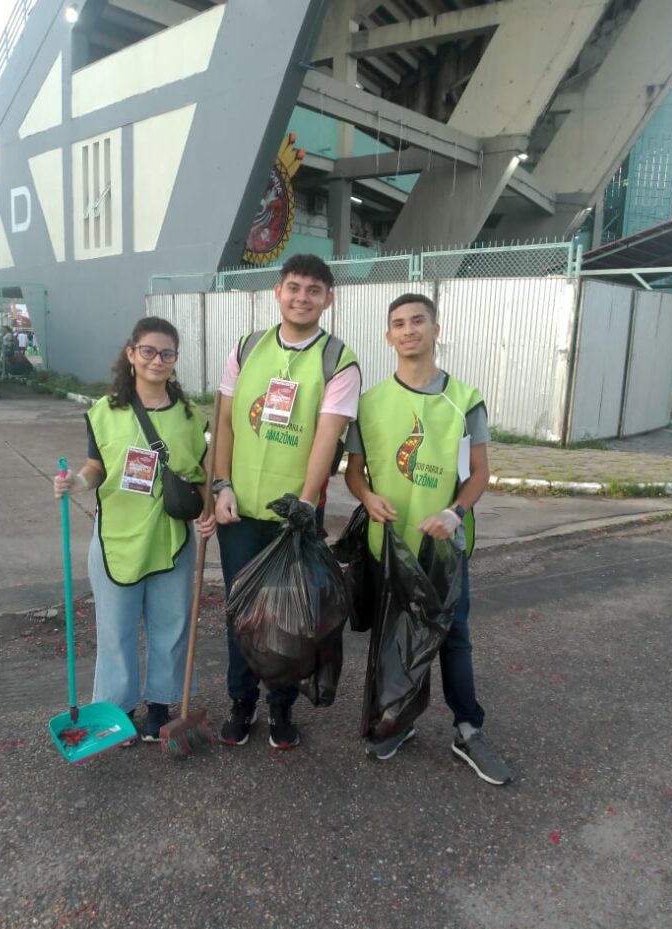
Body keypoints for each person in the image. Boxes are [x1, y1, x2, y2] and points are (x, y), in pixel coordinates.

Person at [344, 293, 512, 784]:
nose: (408, 330)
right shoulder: (370, 403)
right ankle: (397, 720)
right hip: (389, 547)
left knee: (454, 639)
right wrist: (367, 498)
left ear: (436, 329)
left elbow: (480, 473)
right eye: (398, 323)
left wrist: (455, 512)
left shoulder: (464, 399)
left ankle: (468, 730)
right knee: (392, 638)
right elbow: (354, 472)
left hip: (443, 549)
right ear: (388, 336)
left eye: (418, 321)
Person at [213, 253, 361, 749]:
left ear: (328, 299)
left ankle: (280, 709)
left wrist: (303, 503)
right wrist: (220, 485)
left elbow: (326, 437)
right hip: (238, 511)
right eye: (294, 287)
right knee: (242, 611)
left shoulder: (337, 361)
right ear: (278, 291)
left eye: (314, 290)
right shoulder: (246, 348)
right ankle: (241, 702)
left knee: (289, 618)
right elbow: (228, 422)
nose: (302, 297)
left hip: (294, 516)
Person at [53, 316, 216, 743]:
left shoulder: (189, 416)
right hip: (116, 539)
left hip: (171, 538)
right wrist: (76, 485)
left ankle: (160, 708)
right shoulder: (103, 413)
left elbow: (202, 472)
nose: (157, 360)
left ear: (176, 360)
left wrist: (210, 507)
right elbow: (95, 468)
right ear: (131, 354)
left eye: (167, 353)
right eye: (148, 351)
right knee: (115, 629)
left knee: (172, 625)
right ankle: (116, 711)